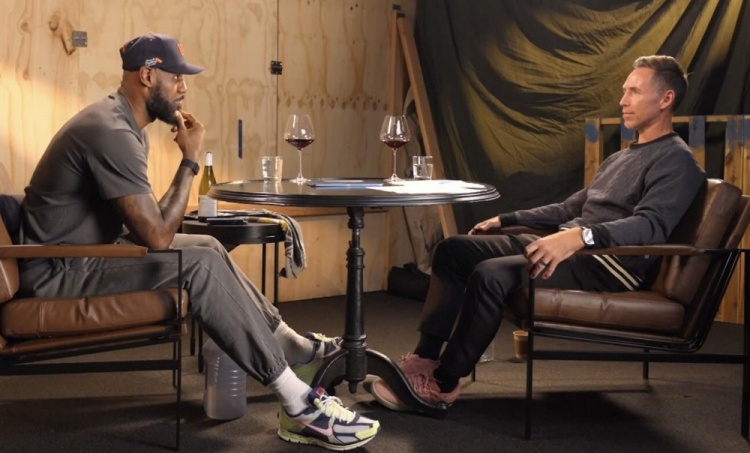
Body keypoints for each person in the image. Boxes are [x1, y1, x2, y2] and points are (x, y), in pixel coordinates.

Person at [19, 33, 379, 451]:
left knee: (206, 246)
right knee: (199, 264)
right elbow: (156, 236)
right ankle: (300, 405)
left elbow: (149, 224)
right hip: (57, 270)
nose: (184, 88)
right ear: (147, 76)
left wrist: (184, 170)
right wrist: (190, 160)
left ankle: (291, 344)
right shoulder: (111, 131)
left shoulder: (123, 124)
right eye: (176, 78)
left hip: (85, 256)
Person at [369, 55, 706, 410]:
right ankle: (424, 358)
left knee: (490, 274)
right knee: (452, 250)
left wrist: (579, 237)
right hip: (567, 246)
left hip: (607, 264)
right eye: (624, 91)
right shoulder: (621, 158)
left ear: (666, 99)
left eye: (634, 92)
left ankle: (443, 381)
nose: (623, 100)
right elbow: (570, 208)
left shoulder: (677, 160)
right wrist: (508, 218)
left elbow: (651, 225)